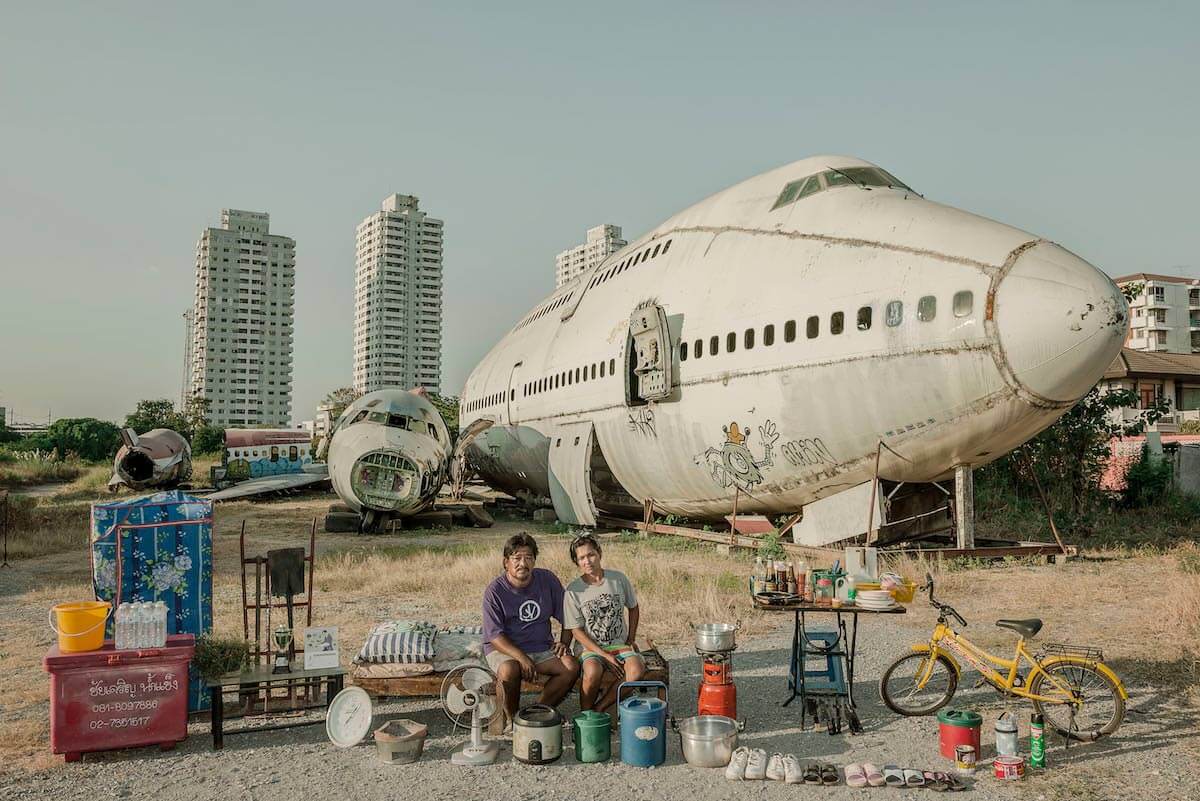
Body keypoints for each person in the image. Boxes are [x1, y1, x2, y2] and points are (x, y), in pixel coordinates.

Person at [482, 533, 580, 721]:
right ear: (506, 562)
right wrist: (522, 658)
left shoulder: (547, 580)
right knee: (510, 670)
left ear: (534, 561)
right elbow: (495, 636)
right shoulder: (494, 591)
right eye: (516, 558)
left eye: (528, 557)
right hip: (506, 650)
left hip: (541, 647)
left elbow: (568, 615)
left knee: (570, 666)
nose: (522, 563)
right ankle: (513, 719)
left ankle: (535, 713)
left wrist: (564, 643)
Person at [563, 534, 645, 713]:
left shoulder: (618, 580)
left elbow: (633, 607)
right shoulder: (573, 591)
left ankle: (599, 708)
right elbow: (576, 631)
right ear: (577, 562)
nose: (588, 561)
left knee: (636, 669)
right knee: (592, 672)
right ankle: (586, 714)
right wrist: (604, 655)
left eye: (591, 555)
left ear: (599, 553)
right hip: (589, 648)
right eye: (581, 558)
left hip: (618, 645)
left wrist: (630, 638)